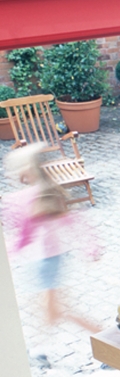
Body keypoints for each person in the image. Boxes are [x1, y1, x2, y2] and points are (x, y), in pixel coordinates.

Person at [2, 143, 102, 337]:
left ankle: (105, 338)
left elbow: (24, 234)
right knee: (50, 310)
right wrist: (91, 246)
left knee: (56, 310)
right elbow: (75, 221)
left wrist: (10, 252)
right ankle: (42, 348)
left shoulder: (27, 197)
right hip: (49, 259)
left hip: (45, 261)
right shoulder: (47, 191)